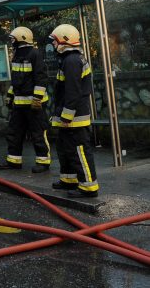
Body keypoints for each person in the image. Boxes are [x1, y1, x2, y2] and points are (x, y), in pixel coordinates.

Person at [48, 24, 99, 198]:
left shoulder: (71, 61)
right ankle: (69, 179)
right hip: (69, 116)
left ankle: (88, 187)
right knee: (65, 148)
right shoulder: (70, 59)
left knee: (79, 150)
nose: (53, 44)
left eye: (55, 41)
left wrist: (66, 116)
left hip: (74, 117)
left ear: (64, 40)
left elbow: (73, 91)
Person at [0, 27, 52, 173]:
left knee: (38, 133)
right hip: (19, 104)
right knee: (14, 132)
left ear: (21, 38)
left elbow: (41, 78)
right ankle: (14, 161)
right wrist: (10, 95)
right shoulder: (17, 54)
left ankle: (43, 161)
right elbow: (16, 80)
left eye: (13, 39)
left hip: (34, 105)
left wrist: (37, 99)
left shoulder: (34, 54)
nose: (11, 41)